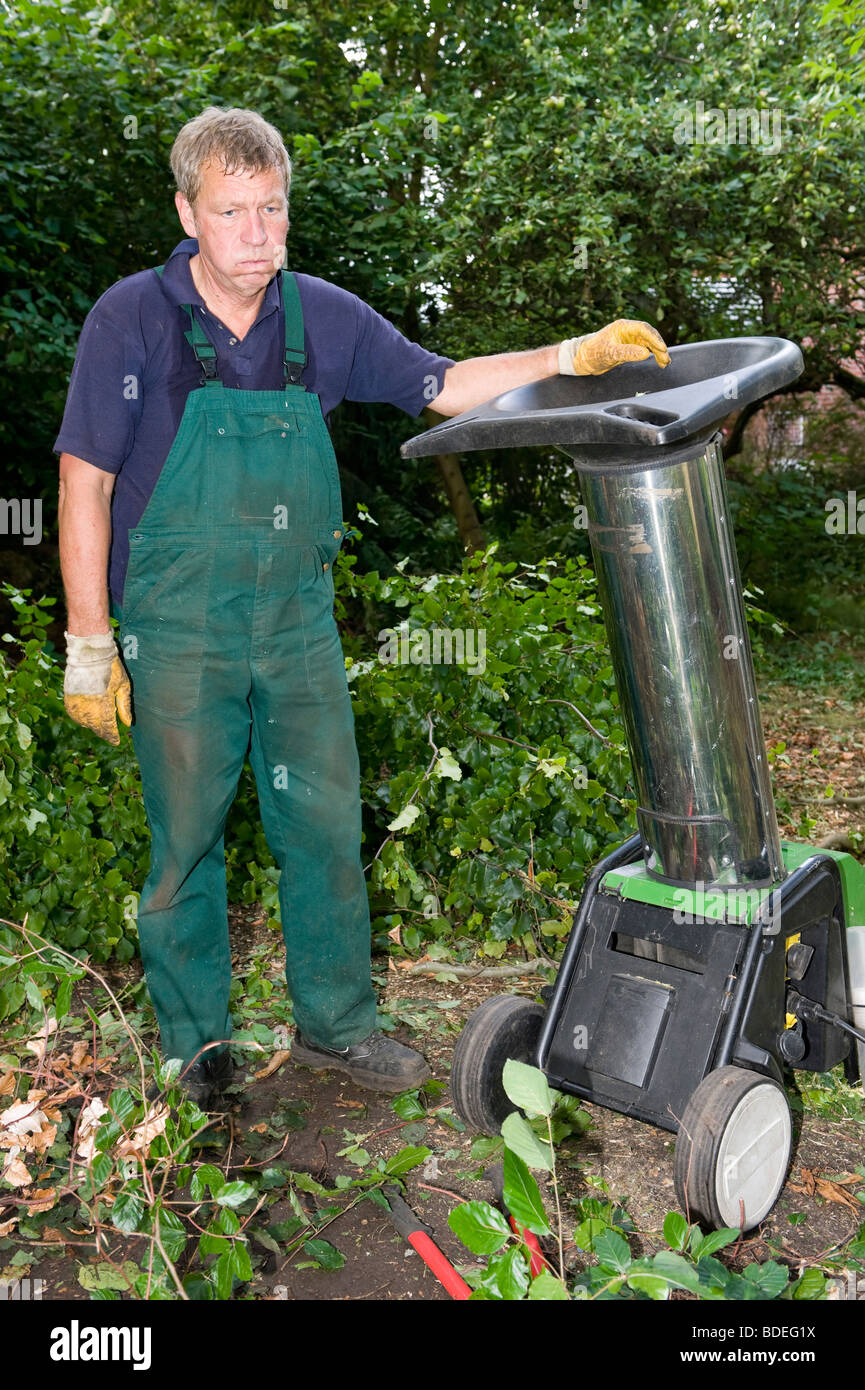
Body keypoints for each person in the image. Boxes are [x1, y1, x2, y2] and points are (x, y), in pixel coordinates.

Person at [56, 107, 669, 1109]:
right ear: (186, 213)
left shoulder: (322, 318)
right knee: (186, 844)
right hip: (178, 632)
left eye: (273, 210)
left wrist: (569, 355)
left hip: (295, 629)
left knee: (325, 824)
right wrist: (88, 640)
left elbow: (442, 383)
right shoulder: (131, 318)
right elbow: (83, 479)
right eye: (232, 212)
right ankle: (196, 1050)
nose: (257, 234)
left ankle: (338, 1028)